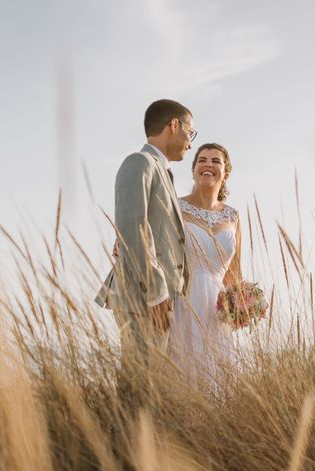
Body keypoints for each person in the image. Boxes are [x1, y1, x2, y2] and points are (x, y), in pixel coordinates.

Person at [96, 99, 195, 411]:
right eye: (190, 133)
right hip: (143, 296)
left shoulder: (162, 171)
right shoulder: (139, 163)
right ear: (174, 126)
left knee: (150, 387)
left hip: (155, 297)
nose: (190, 143)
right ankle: (128, 454)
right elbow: (131, 224)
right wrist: (155, 292)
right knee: (140, 388)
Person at [168, 142, 242, 390]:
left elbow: (234, 273)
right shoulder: (175, 206)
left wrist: (241, 306)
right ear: (193, 170)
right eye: (202, 160)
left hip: (218, 313)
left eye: (215, 161)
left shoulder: (233, 216)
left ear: (226, 173)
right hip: (183, 302)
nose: (208, 165)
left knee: (217, 380)